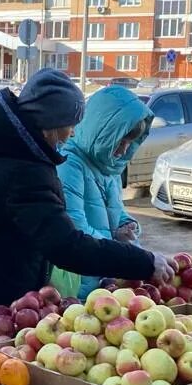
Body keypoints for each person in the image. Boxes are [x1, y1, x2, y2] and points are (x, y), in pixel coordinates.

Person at [0, 70, 172, 314]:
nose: (72, 132)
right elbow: (66, 245)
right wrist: (143, 262)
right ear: (52, 122)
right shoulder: (24, 168)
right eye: (71, 124)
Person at [56, 85, 152, 298]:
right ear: (103, 133)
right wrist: (119, 246)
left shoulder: (110, 167)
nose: (124, 149)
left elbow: (116, 213)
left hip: (104, 280)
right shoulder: (70, 164)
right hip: (76, 283)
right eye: (121, 141)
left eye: (130, 142)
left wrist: (129, 227)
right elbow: (75, 229)